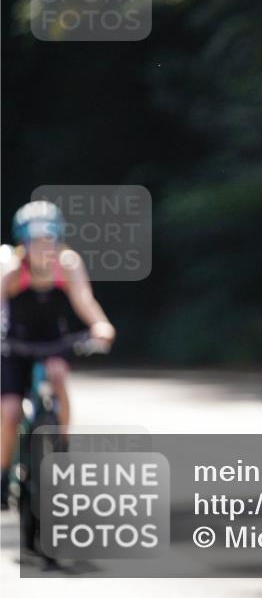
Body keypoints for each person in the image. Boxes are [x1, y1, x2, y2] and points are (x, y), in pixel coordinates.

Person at [0, 201, 116, 508]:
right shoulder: (10, 267)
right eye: (36, 240)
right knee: (10, 410)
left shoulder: (67, 264)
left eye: (48, 239)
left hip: (53, 340)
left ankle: (61, 446)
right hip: (14, 344)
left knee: (58, 376)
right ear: (22, 242)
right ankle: (2, 476)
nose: (43, 247)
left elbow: (84, 300)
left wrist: (100, 325)